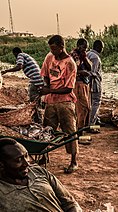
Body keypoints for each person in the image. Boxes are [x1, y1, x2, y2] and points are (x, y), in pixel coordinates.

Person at [0, 137, 82, 211]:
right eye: (18, 160)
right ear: (1, 165)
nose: (27, 164)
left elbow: (70, 204)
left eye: (26, 156)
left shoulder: (38, 171)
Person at [39, 35, 79, 174]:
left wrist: (48, 89)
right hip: (51, 101)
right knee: (46, 131)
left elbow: (68, 88)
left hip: (65, 102)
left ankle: (74, 161)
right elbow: (44, 73)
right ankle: (43, 157)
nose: (52, 52)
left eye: (54, 49)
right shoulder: (49, 57)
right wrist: (45, 86)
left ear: (62, 47)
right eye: (51, 49)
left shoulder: (70, 64)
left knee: (70, 132)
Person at [1, 47, 44, 123]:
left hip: (35, 80)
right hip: (39, 79)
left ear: (15, 53)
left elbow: (19, 67)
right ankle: (38, 120)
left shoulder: (20, 55)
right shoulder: (27, 56)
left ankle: (38, 121)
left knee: (33, 102)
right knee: (37, 101)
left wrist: (6, 71)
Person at [70, 39, 92, 136]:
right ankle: (79, 131)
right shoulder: (73, 55)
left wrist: (85, 57)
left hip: (84, 83)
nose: (85, 50)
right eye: (83, 47)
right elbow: (71, 70)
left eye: (86, 48)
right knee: (82, 107)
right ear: (78, 46)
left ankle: (81, 129)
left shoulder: (83, 55)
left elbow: (90, 67)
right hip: (78, 83)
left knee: (86, 108)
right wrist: (81, 72)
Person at [87, 40, 104, 128]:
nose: (102, 50)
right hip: (94, 83)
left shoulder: (88, 54)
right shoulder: (95, 57)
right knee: (96, 102)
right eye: (102, 48)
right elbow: (92, 72)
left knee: (90, 102)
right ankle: (91, 123)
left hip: (87, 83)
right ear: (98, 47)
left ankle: (95, 120)